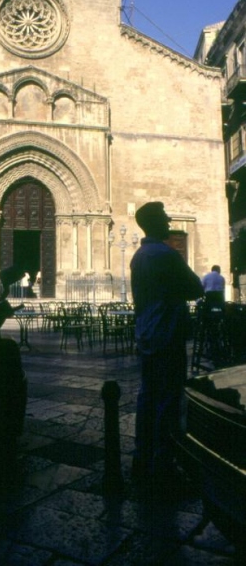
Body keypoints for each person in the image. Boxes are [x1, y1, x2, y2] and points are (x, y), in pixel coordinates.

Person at [130, 202, 204, 491]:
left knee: (147, 397)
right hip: (168, 334)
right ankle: (163, 466)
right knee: (169, 400)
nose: (169, 219)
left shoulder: (138, 256)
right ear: (153, 222)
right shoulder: (165, 254)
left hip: (147, 333)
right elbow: (195, 288)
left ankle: (142, 457)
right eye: (163, 217)